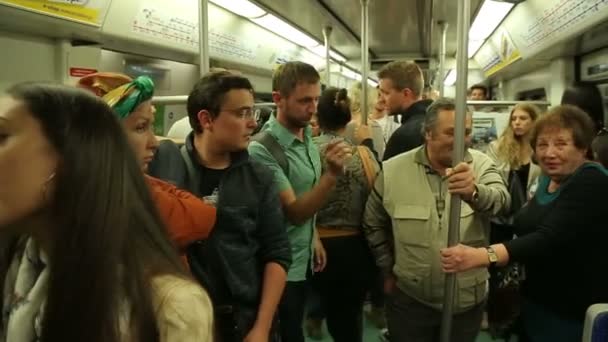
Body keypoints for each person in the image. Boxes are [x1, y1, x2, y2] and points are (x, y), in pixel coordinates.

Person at [0, 82, 213, 341]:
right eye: (139, 127)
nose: (154, 143)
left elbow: (203, 216)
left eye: (2, 137)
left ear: (69, 156)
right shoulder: (17, 262)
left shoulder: (169, 308)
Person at [441, 105, 608, 342]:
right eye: (542, 145)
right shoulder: (546, 180)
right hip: (536, 300)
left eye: (561, 144)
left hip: (572, 307)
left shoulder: (591, 180)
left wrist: (480, 256)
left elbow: (547, 238)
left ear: (582, 148)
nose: (550, 153)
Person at [149, 71, 291, 342]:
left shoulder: (259, 177)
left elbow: (277, 253)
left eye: (253, 114)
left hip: (245, 320)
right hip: (185, 320)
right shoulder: (167, 172)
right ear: (206, 119)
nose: (252, 124)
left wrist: (261, 328)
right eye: (241, 114)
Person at [363, 98, 509, 342]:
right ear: (428, 133)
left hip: (466, 302)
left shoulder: (482, 165)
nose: (461, 140)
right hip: (411, 299)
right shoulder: (392, 171)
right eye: (451, 133)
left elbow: (502, 203)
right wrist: (386, 268)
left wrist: (474, 192)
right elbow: (372, 222)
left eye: (466, 133)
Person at [248, 61, 350, 342]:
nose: (313, 108)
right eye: (305, 100)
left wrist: (313, 235)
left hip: (302, 258)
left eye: (316, 99)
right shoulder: (262, 150)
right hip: (280, 268)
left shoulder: (305, 135)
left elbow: (302, 192)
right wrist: (331, 175)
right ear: (278, 99)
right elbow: (293, 212)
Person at [77, 72, 216, 266]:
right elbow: (204, 216)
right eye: (141, 127)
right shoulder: (126, 195)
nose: (154, 143)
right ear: (102, 137)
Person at [311, 87, 379, 342]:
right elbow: (378, 200)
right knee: (349, 318)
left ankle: (315, 319)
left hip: (313, 242)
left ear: (318, 117)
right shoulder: (364, 155)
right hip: (354, 247)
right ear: (349, 118)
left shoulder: (305, 152)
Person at [484, 103, 541, 337]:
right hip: (501, 220)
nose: (517, 122)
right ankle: (495, 314)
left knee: (523, 271)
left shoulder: (541, 150)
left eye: (523, 118)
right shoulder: (497, 148)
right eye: (514, 118)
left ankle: (518, 315)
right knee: (496, 268)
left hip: (529, 219)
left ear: (534, 122)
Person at [378, 60, 433, 161]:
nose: (381, 100)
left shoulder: (404, 137)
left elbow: (386, 175)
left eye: (386, 93)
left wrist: (366, 143)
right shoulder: (432, 122)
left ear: (406, 94)